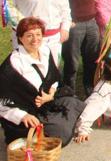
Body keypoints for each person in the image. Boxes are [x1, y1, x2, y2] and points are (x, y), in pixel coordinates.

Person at [0, 18, 85, 146]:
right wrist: (23, 116)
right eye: (29, 36)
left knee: (75, 103)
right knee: (60, 130)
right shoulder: (12, 66)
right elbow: (2, 102)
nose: (35, 39)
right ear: (20, 38)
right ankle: (51, 131)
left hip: (46, 106)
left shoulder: (44, 50)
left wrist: (50, 94)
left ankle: (56, 127)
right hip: (28, 115)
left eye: (38, 34)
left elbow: (53, 78)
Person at [62, 0, 101, 97]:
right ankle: (69, 94)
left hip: (91, 21)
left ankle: (89, 89)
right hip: (74, 22)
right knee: (72, 62)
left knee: (92, 59)